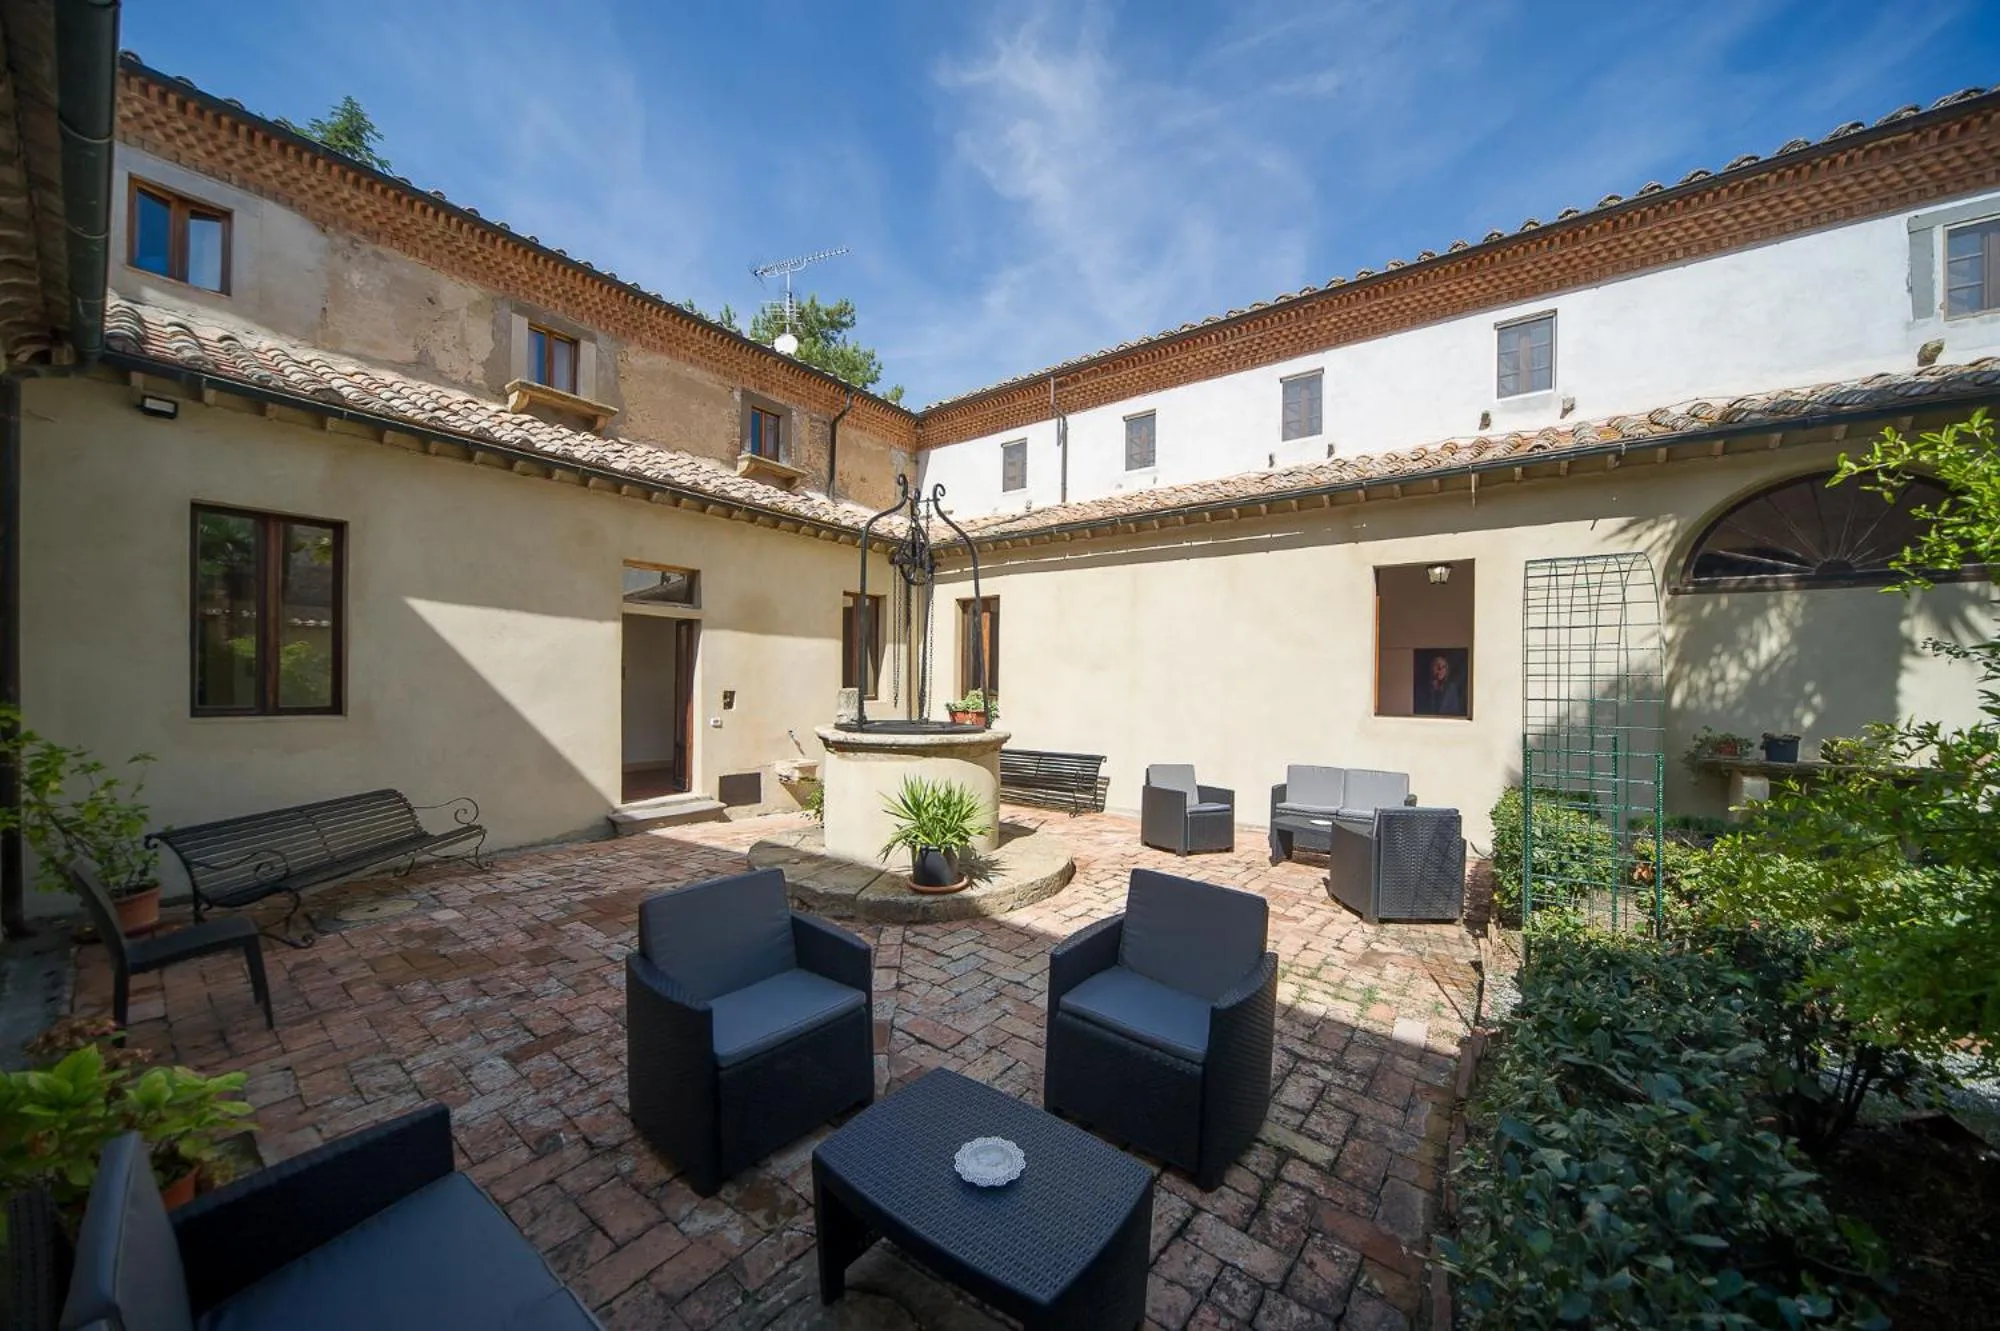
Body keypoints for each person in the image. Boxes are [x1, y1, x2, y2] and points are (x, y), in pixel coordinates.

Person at [1418, 652, 1465, 717]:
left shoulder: (1451, 688)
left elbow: (1455, 712)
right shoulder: (1422, 687)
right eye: (1437, 665)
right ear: (1431, 667)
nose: (1440, 669)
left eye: (1444, 667)